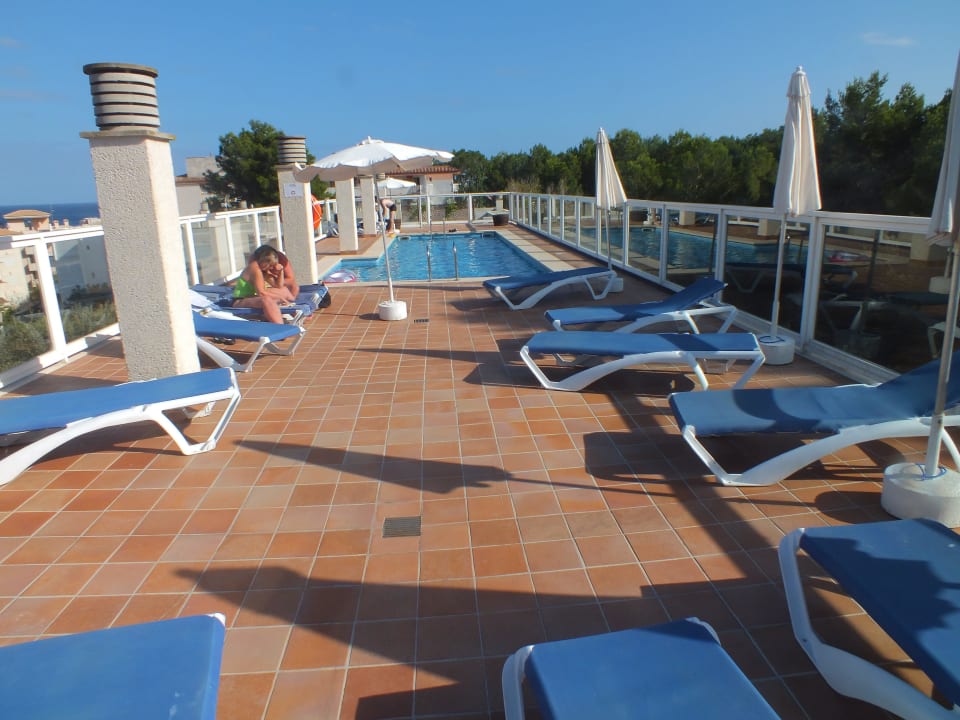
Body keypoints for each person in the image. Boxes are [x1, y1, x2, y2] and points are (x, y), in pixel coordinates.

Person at [231, 246, 295, 324]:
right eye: (270, 265)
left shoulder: (263, 270)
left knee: (284, 290)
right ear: (264, 261)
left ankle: (292, 313)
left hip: (252, 297)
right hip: (240, 301)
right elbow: (261, 293)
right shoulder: (255, 269)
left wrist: (281, 271)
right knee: (266, 299)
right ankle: (280, 326)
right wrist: (280, 298)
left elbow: (278, 286)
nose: (271, 268)